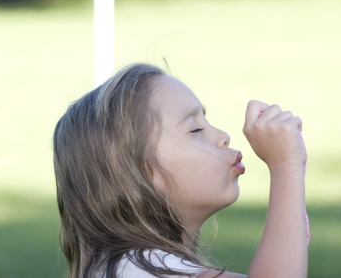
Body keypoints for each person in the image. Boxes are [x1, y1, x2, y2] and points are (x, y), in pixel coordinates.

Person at [53, 63, 309, 278]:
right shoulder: (141, 271)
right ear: (140, 172)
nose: (223, 136)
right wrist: (286, 167)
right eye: (195, 129)